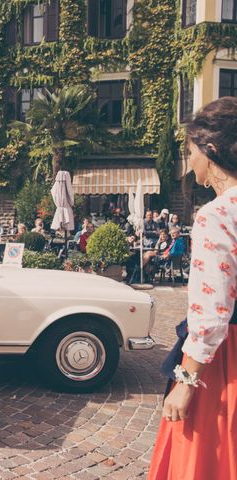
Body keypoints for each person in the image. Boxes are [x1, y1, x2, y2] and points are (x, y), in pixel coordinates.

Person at [149, 97, 237, 479]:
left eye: (190, 151)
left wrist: (185, 382)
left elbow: (212, 310)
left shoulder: (217, 214)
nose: (189, 163)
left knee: (204, 460)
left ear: (211, 150)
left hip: (222, 362)